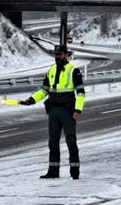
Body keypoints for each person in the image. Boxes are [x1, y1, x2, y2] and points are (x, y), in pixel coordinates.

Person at [21, 45, 86, 179]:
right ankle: (53, 171)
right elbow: (44, 91)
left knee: (71, 141)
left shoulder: (74, 71)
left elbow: (80, 93)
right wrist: (31, 100)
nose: (57, 57)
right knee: (53, 142)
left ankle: (75, 172)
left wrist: (78, 109)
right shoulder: (51, 71)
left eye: (60, 54)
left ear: (66, 55)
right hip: (53, 111)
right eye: (56, 54)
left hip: (68, 111)